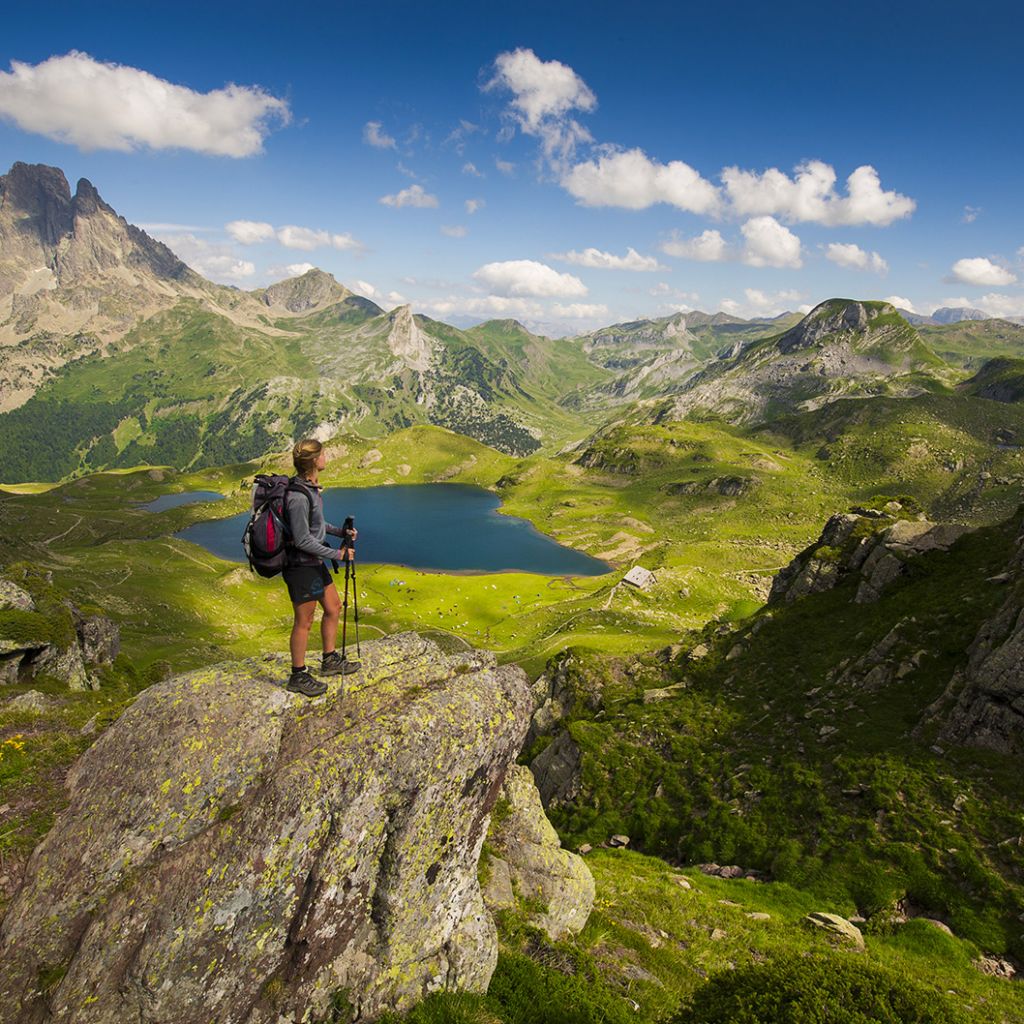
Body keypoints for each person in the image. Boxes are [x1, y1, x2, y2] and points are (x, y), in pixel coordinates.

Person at [283, 438, 360, 697]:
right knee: (304, 620)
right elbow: (303, 539)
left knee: (333, 607)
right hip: (300, 565)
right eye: (324, 454)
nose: (327, 457)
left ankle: (329, 660)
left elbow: (317, 525)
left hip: (314, 562)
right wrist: (337, 554)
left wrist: (341, 532)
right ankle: (298, 675)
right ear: (315, 460)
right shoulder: (297, 496)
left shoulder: (310, 488)